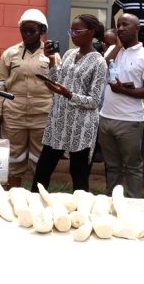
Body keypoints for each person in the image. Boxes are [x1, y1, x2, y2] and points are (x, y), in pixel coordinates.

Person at [32, 14, 108, 192]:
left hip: (81, 126)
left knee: (79, 173)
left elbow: (94, 101)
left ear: (91, 32)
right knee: (43, 169)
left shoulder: (99, 63)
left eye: (76, 31)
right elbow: (57, 79)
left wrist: (69, 94)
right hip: (59, 120)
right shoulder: (68, 54)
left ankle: (81, 207)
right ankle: (34, 203)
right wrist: (51, 60)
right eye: (70, 31)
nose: (72, 35)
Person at [0, 9, 57, 188]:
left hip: (43, 112)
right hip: (14, 112)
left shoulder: (52, 54)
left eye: (32, 31)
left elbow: (58, 82)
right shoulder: (10, 53)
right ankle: (14, 193)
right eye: (24, 30)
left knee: (41, 157)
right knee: (13, 156)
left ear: (42, 31)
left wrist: (52, 59)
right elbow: (0, 84)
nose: (27, 34)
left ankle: (38, 196)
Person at [99, 13, 144, 197]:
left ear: (137, 28)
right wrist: (117, 47)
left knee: (132, 166)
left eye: (125, 25)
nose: (121, 28)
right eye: (118, 25)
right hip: (106, 117)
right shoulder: (113, 50)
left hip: (129, 120)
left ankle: (133, 202)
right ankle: (111, 200)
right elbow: (101, 69)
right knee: (112, 166)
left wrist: (122, 90)